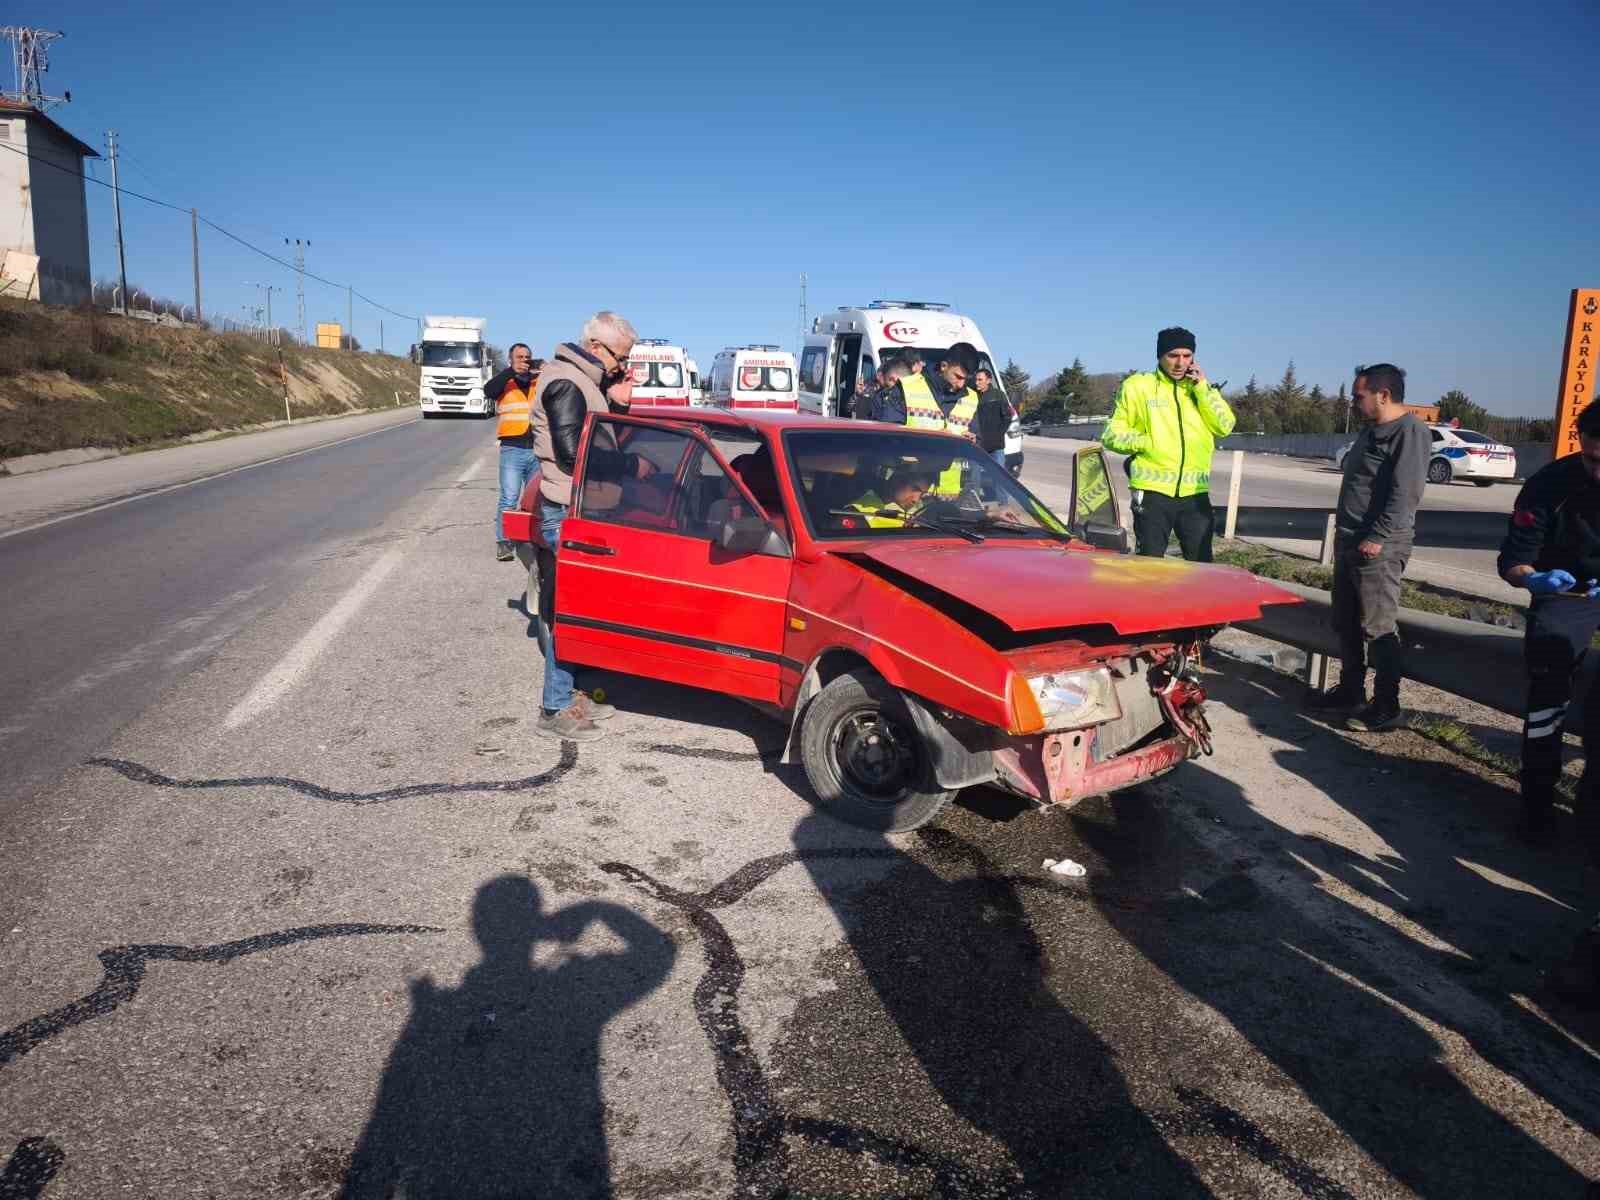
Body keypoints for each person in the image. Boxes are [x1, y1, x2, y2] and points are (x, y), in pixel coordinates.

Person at [1497, 398, 1600, 1000]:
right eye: (1591, 458)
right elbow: (1513, 561)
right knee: (1547, 696)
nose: (1598, 470)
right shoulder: (1551, 484)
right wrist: (1533, 579)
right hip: (1569, 592)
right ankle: (1537, 803)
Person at [529, 312, 654, 742]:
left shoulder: (586, 382)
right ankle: (554, 708)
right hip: (567, 512)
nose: (623, 365)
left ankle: (572, 693)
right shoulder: (567, 382)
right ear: (596, 347)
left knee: (586, 610)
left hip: (584, 509)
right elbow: (572, 454)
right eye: (621, 356)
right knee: (570, 611)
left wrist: (618, 403)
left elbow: (599, 437)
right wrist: (631, 465)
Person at [1306, 363, 1428, 732]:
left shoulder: (1410, 432)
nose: (1354, 402)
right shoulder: (1371, 429)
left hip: (1379, 546)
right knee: (1345, 621)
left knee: (1378, 627)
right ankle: (1351, 692)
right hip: (1350, 539)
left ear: (1383, 394)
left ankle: (1386, 706)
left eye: (1359, 396)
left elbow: (1405, 493)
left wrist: (1377, 536)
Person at [1102, 327, 1236, 561]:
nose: (1180, 363)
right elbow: (1111, 434)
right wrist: (1148, 442)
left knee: (1203, 566)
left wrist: (1202, 388)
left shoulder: (1200, 389)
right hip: (1153, 493)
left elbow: (1225, 425)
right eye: (1173, 355)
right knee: (1149, 566)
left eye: (1187, 356)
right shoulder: (1138, 387)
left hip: (1195, 494)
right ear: (1160, 356)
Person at [484, 343, 542, 562]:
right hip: (512, 449)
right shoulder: (504, 382)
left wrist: (546, 369)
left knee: (534, 500)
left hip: (537, 448)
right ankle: (504, 543)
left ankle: (530, 539)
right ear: (511, 359)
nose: (524, 360)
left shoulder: (538, 381)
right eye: (519, 357)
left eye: (527, 357)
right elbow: (488, 391)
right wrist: (510, 371)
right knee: (509, 498)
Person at [840, 468, 933, 528]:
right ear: (897, 480)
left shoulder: (913, 515)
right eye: (914, 489)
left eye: (922, 494)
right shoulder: (856, 511)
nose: (916, 500)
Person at [972, 366, 1012, 469]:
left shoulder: (998, 395)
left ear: (988, 380)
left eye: (980, 380)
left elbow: (1008, 417)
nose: (976, 382)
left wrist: (997, 436)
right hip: (977, 445)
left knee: (998, 475)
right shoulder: (972, 395)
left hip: (995, 447)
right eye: (976, 380)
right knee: (974, 476)